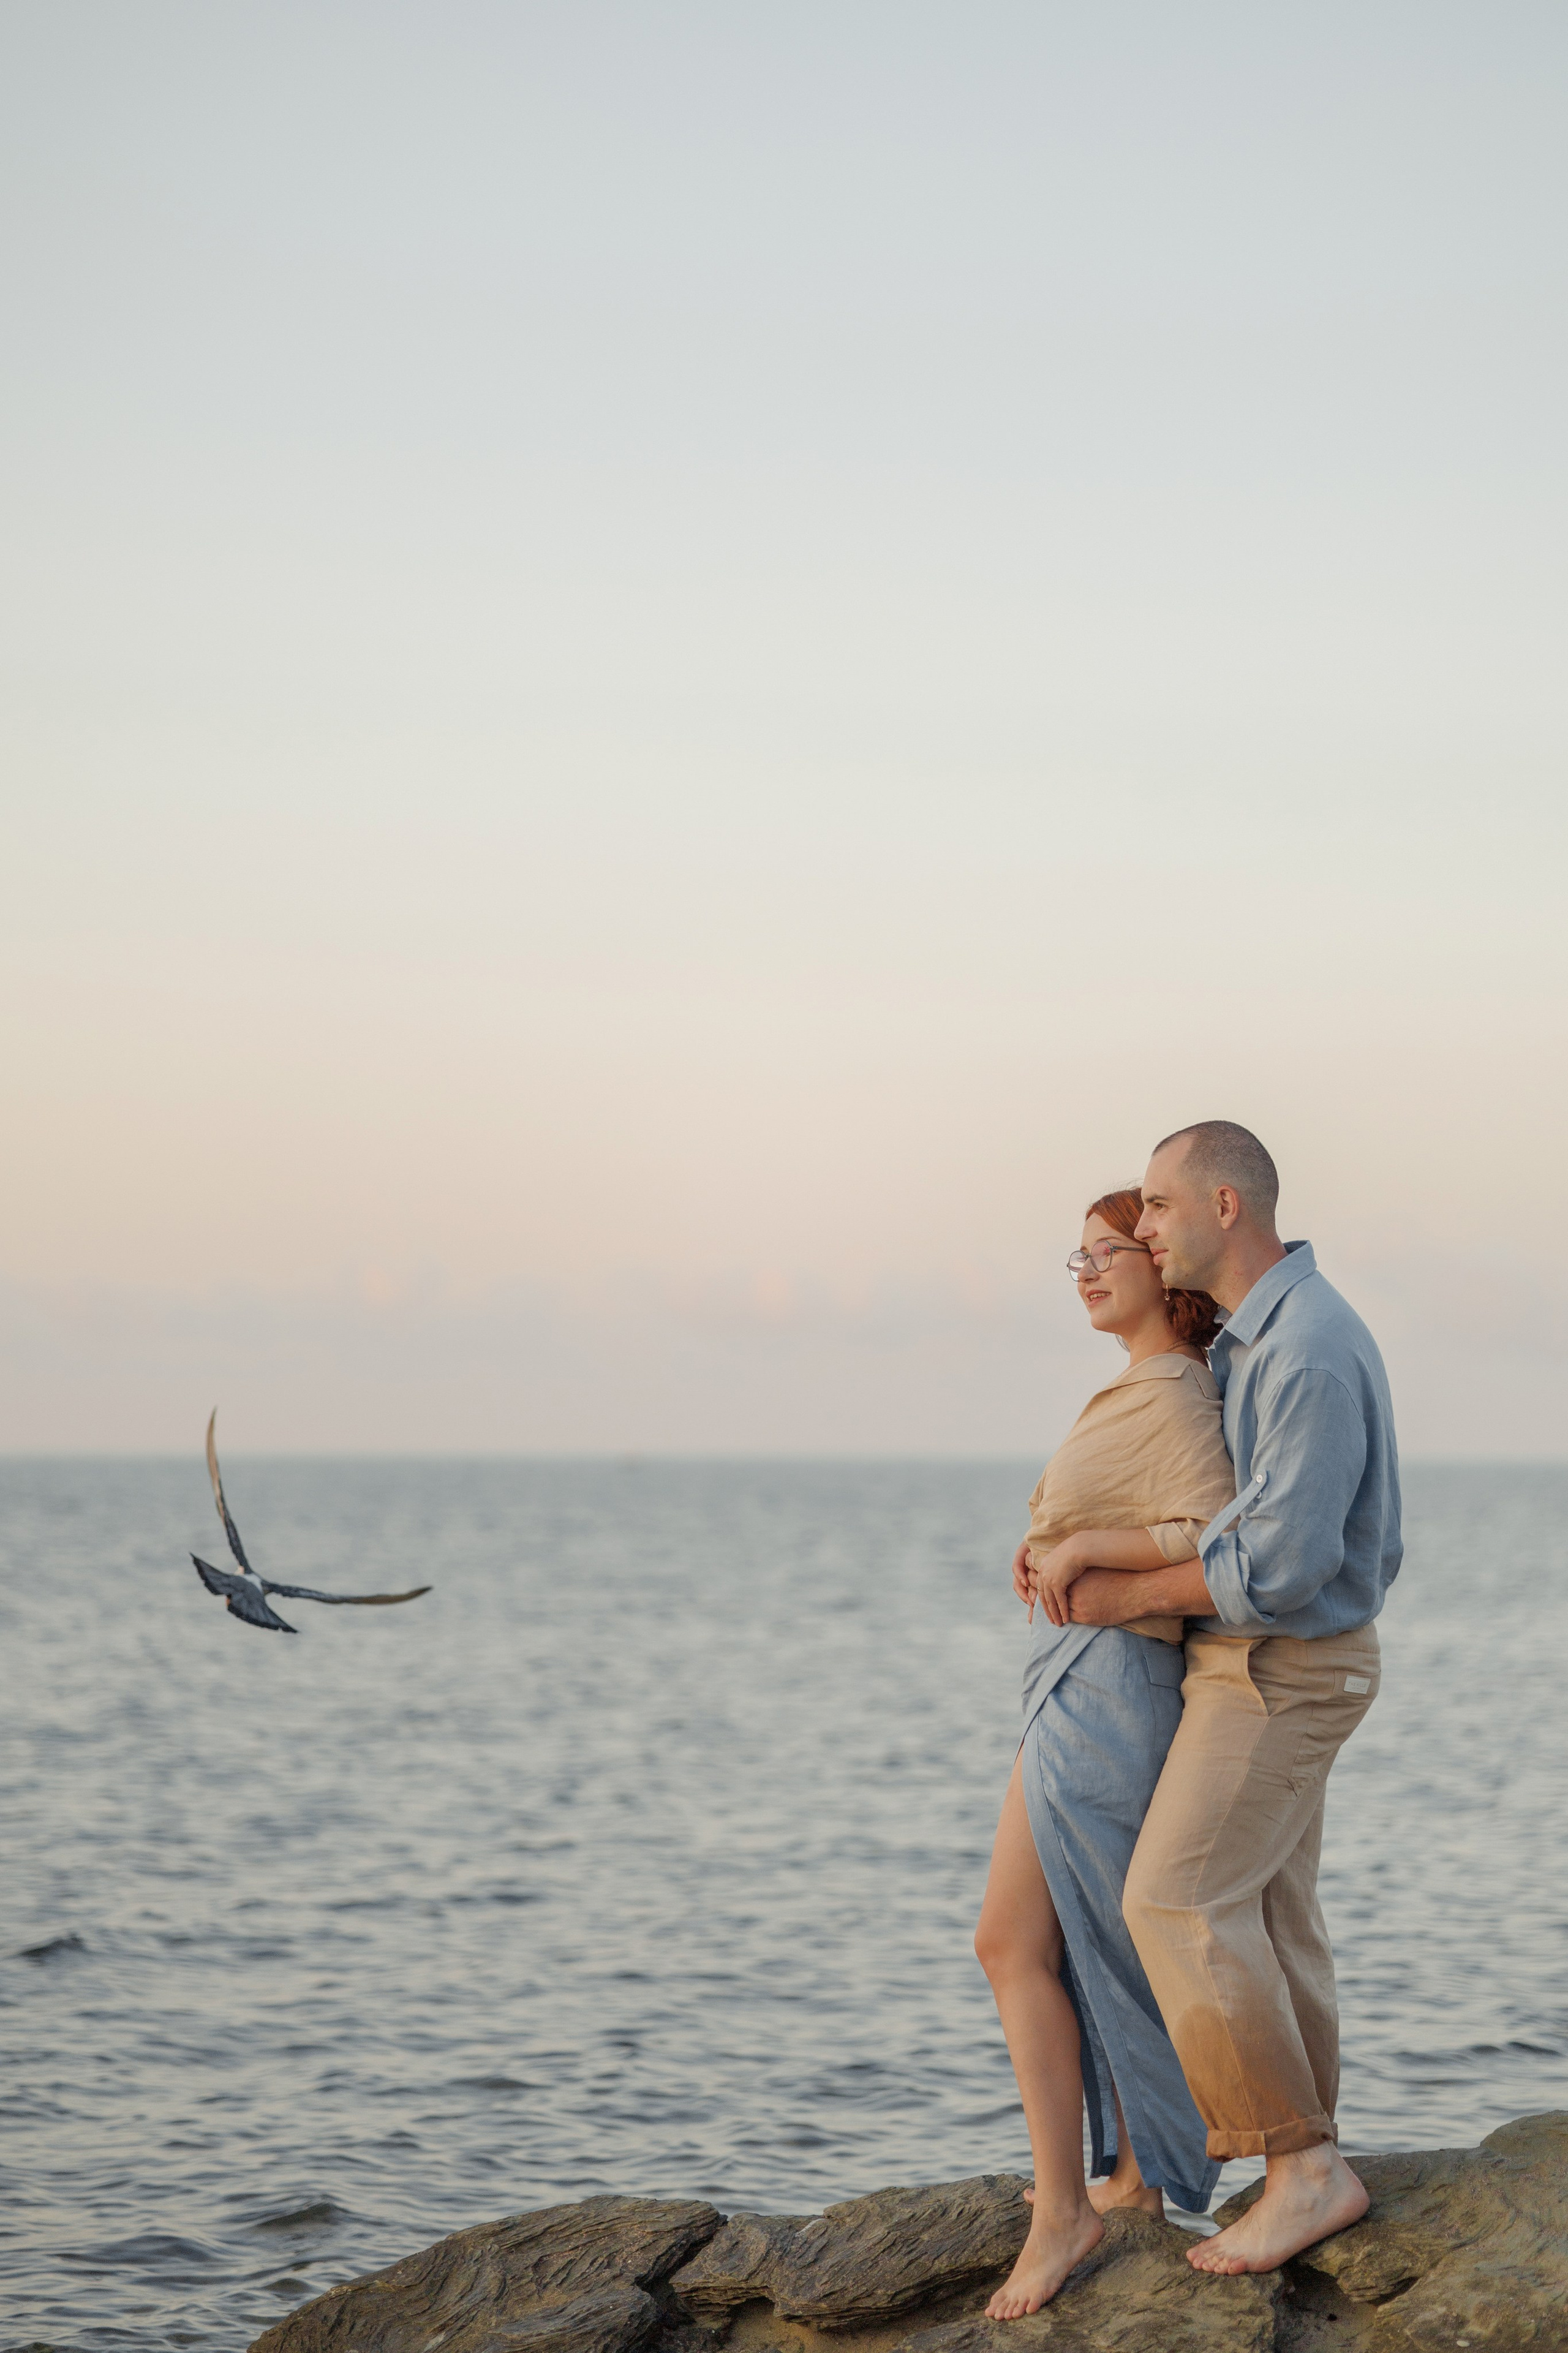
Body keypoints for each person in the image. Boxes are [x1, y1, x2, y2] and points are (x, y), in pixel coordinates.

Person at [1050, 1122, 1401, 2278]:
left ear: (1225, 1205)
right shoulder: (1259, 1338)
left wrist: (1124, 1593)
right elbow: (1240, 1524)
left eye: (1157, 1204)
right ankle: (1308, 2158)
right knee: (1270, 1913)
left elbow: (1281, 1564)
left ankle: (1303, 2170)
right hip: (1276, 1657)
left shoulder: (1303, 1349)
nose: (1144, 1226)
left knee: (1177, 1897)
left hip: (1281, 1664)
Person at [973, 1187, 1235, 2317]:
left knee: (1043, 1941)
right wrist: (1048, 1544)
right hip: (1076, 1675)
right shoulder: (1139, 1384)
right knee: (1056, 1941)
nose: (1084, 1271)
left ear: (1163, 1266)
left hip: (1113, 1682)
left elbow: (1212, 1531)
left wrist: (1085, 1541)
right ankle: (1124, 2181)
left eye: (1107, 1251)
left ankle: (1073, 2209)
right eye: (1075, 1255)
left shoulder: (1177, 1390)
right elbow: (1118, 1513)